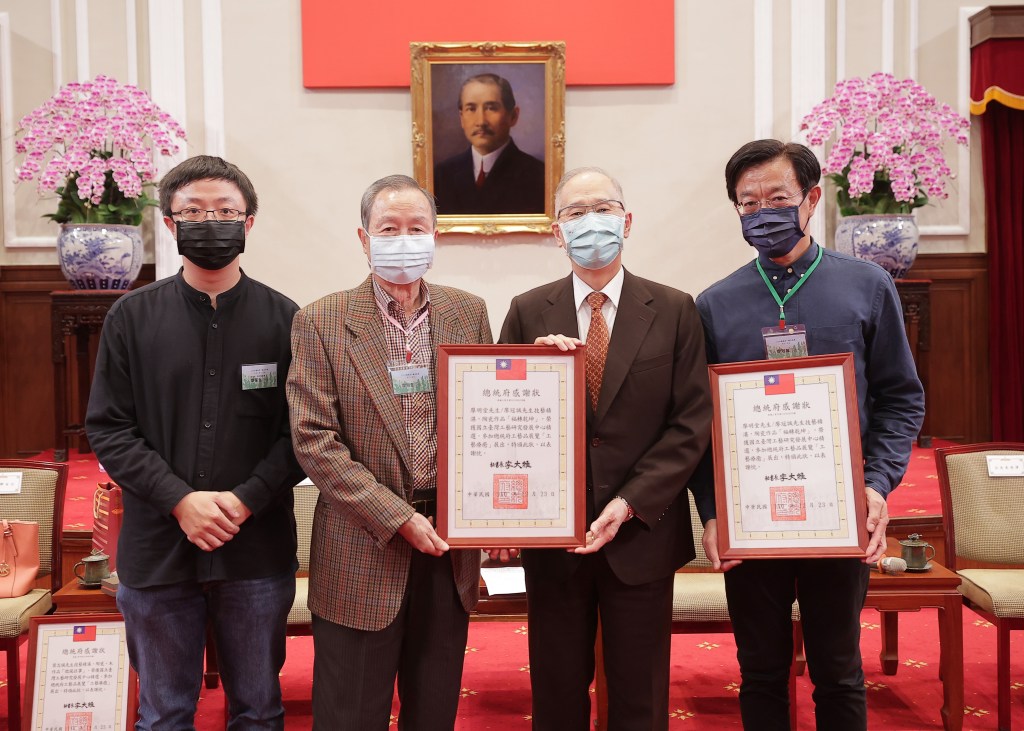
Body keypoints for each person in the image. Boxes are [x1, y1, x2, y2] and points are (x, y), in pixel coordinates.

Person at [695, 139, 925, 730]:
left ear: (812, 198)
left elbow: (901, 397)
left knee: (839, 670)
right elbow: (700, 419)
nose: (762, 212)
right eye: (748, 202)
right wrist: (714, 512)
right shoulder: (715, 304)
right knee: (760, 671)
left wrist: (876, 486)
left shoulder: (867, 285)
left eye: (777, 198)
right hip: (752, 519)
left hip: (840, 514)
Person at [85, 155, 304, 729]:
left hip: (255, 549)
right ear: (169, 222)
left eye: (226, 211)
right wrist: (181, 501)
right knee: (163, 714)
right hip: (158, 549)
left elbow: (301, 434)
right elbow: (109, 427)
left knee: (258, 711)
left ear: (249, 222)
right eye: (194, 211)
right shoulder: (131, 318)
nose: (212, 222)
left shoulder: (286, 320)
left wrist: (244, 500)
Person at [498, 167, 712, 730]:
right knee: (556, 693)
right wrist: (532, 370)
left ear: (627, 221)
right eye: (575, 212)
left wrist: (630, 501)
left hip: (641, 532)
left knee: (640, 696)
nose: (591, 221)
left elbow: (690, 422)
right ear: (557, 231)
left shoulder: (674, 308)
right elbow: (501, 419)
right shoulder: (527, 310)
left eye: (603, 209)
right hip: (555, 539)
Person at [286, 174, 492, 730]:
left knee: (434, 713)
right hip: (362, 547)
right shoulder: (321, 320)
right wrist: (397, 517)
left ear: (435, 235)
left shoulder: (468, 313)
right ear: (364, 238)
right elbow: (313, 439)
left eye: (417, 228)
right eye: (389, 228)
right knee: (350, 715)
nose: (404, 239)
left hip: (448, 548)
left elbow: (489, 416)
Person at [433, 72, 545, 215]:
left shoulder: (537, 175)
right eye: (471, 109)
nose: (481, 121)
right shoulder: (442, 175)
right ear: (461, 118)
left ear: (513, 116)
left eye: (491, 108)